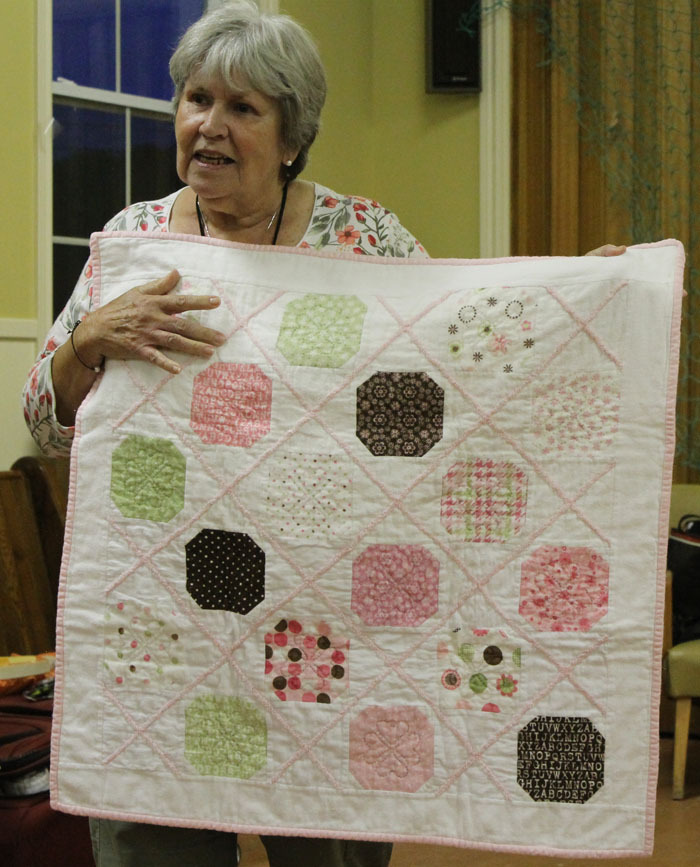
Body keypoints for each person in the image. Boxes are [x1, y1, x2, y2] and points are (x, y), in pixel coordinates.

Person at [22, 3, 625, 865]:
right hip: (165, 626)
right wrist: (88, 340)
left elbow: (462, 354)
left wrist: (578, 302)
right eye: (197, 99)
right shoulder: (132, 243)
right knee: (156, 842)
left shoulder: (360, 237)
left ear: (292, 137)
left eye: (242, 108)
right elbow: (45, 424)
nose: (209, 125)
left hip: (326, 628)